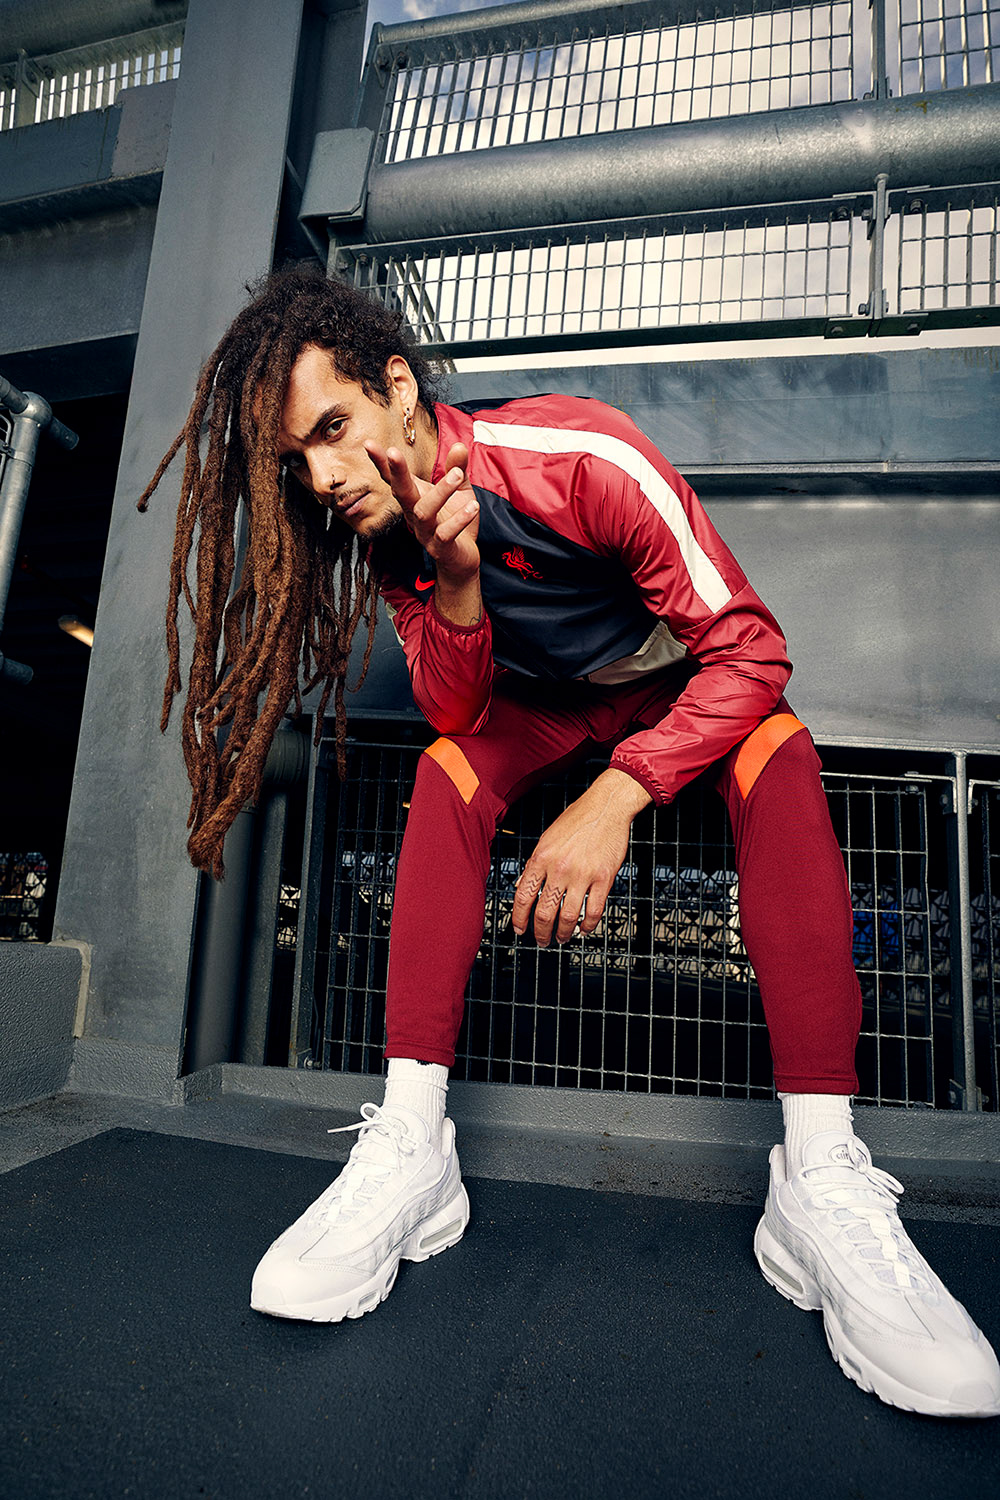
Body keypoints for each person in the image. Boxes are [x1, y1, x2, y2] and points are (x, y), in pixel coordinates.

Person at [141, 265, 999, 1418]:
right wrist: (455, 584)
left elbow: (751, 650)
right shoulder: (388, 535)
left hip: (674, 687)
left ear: (398, 385)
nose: (323, 477)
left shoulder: (583, 458)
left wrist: (616, 797)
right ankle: (411, 1148)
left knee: (779, 755)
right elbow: (456, 711)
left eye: (332, 430)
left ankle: (819, 1176)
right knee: (446, 771)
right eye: (297, 461)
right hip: (546, 709)